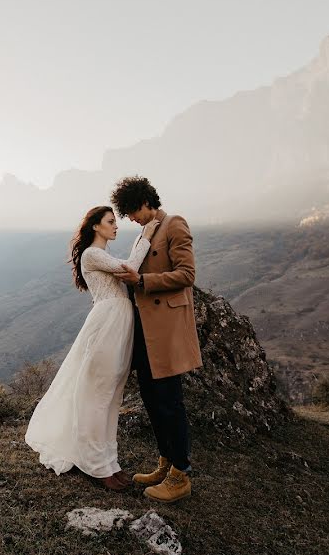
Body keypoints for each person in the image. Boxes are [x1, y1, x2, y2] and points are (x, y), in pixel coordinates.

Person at [25, 205, 159, 491]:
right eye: (110, 222)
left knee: (112, 396)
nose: (116, 226)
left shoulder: (102, 255)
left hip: (120, 323)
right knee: (99, 396)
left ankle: (110, 462)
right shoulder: (91, 254)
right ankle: (96, 466)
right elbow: (130, 270)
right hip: (108, 323)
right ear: (96, 226)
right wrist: (146, 235)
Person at [110, 176, 202, 503]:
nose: (131, 218)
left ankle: (181, 474)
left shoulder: (174, 224)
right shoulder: (145, 233)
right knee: (151, 399)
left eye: (132, 211)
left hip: (166, 330)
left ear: (146, 202)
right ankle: (165, 463)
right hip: (145, 333)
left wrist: (143, 280)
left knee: (169, 402)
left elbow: (187, 274)